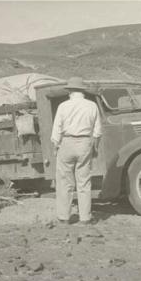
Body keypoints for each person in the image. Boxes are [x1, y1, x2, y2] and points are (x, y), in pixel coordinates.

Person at [51, 77, 102, 225]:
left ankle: (64, 217)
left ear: (70, 91)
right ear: (82, 91)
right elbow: (98, 131)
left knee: (64, 181)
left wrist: (55, 147)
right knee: (84, 182)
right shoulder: (91, 105)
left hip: (66, 142)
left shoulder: (63, 106)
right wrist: (95, 147)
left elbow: (56, 130)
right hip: (85, 143)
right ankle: (85, 218)